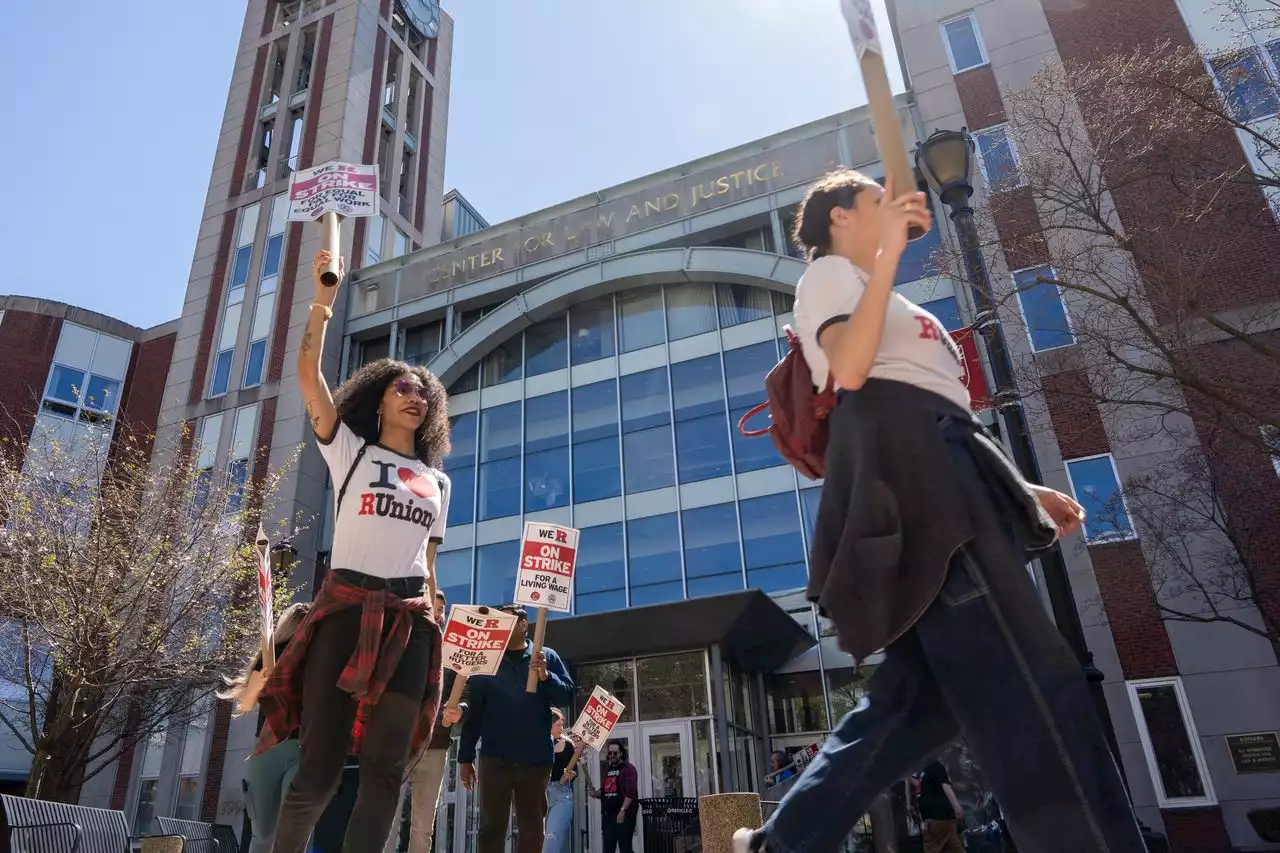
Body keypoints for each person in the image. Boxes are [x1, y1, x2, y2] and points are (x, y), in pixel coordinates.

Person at [733, 171, 1146, 853]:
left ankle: (784, 841)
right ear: (841, 218)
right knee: (1030, 683)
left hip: (954, 480)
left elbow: (948, 414)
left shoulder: (883, 294)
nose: (890, 211)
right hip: (923, 497)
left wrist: (1016, 487)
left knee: (917, 702)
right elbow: (856, 370)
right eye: (875, 202)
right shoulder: (831, 280)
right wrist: (892, 251)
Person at [255, 249, 452, 853]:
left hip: (412, 621)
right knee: (318, 770)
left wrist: (437, 607)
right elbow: (309, 374)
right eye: (401, 388)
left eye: (423, 392)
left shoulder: (438, 482)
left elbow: (429, 558)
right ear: (378, 398)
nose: (414, 395)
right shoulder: (351, 452)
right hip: (344, 610)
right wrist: (322, 300)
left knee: (386, 772)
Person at [457, 605, 574, 853]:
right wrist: (465, 756)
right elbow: (475, 711)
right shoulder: (486, 660)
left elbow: (567, 695)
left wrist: (545, 677)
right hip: (495, 758)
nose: (501, 627)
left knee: (532, 828)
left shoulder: (546, 656)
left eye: (507, 622)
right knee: (491, 827)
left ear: (523, 624)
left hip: (535, 760)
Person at [220, 603, 311, 853]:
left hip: (304, 750)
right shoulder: (272, 652)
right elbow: (246, 705)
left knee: (291, 830)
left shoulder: (319, 658)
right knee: (262, 833)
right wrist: (258, 685)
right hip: (268, 750)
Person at [405, 591, 463, 853]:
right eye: (434, 607)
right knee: (388, 817)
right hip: (399, 744)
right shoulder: (403, 639)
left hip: (436, 746)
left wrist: (460, 709)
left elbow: (466, 694)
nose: (439, 614)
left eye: (442, 609)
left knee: (423, 825)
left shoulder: (453, 651)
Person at [542, 709, 583, 853]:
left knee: (551, 842)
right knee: (536, 842)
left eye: (562, 724)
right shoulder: (538, 744)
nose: (561, 728)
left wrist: (570, 774)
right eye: (558, 725)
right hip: (540, 795)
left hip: (562, 796)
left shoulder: (569, 745)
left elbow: (575, 771)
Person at [588, 740, 638, 853]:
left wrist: (622, 811)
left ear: (621, 753)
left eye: (615, 753)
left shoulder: (628, 769)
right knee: (608, 848)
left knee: (625, 848)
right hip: (608, 816)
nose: (612, 756)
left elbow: (631, 793)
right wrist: (595, 794)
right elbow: (606, 791)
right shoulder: (609, 769)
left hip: (624, 816)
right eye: (610, 753)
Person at [916, 760, 963, 853]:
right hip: (943, 818)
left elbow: (945, 785)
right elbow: (920, 786)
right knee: (954, 848)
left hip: (936, 817)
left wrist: (957, 808)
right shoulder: (926, 770)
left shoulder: (935, 766)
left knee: (932, 848)